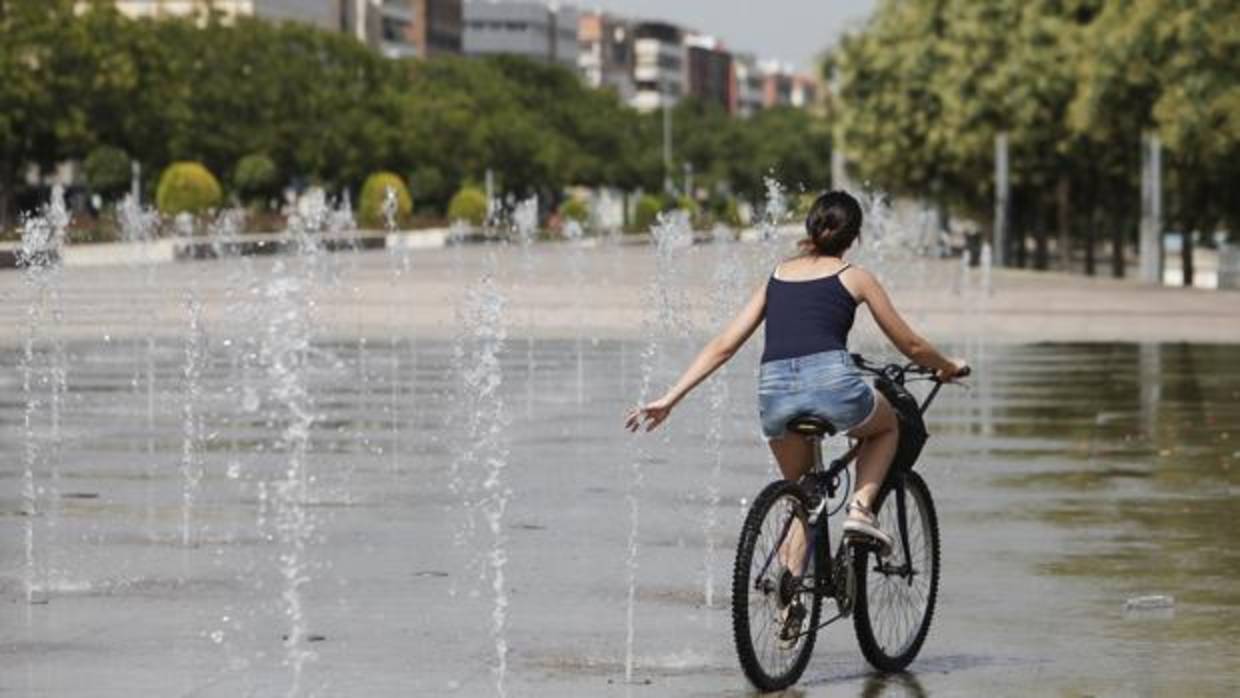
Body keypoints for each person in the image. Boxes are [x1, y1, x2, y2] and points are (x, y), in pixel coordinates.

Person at [624, 189, 966, 556]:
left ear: (811, 227)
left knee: (803, 496)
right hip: (833, 385)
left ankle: (787, 605)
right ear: (854, 237)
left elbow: (725, 344)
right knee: (887, 426)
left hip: (774, 395)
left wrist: (670, 398)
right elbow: (911, 346)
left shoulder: (776, 276)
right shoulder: (857, 277)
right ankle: (860, 509)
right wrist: (947, 367)